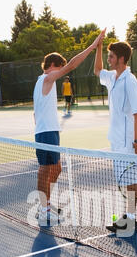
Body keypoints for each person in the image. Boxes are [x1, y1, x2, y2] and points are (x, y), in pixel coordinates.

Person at [33, 29, 106, 226]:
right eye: (60, 67)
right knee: (45, 170)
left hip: (50, 131)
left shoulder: (42, 83)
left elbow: (35, 113)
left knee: (56, 169)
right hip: (46, 132)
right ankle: (43, 209)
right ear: (51, 66)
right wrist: (93, 46)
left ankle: (46, 204)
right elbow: (73, 64)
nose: (62, 70)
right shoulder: (46, 79)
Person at [94, 41, 137, 231]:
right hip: (116, 139)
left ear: (121, 59)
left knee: (130, 181)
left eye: (111, 56)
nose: (108, 59)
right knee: (129, 179)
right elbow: (97, 70)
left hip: (128, 140)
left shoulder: (130, 80)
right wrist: (98, 46)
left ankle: (130, 219)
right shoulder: (112, 77)